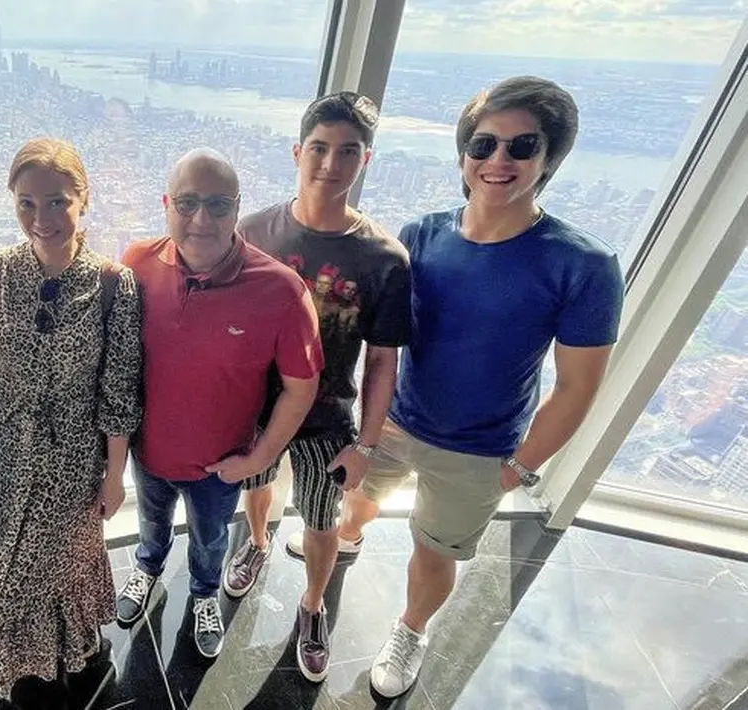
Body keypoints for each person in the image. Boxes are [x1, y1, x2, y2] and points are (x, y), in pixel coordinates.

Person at [312, 77, 623, 698]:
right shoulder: (422, 234)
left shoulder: (583, 265)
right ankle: (346, 537)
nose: (499, 161)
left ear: (548, 157)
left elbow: (578, 386)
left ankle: (410, 628)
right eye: (483, 145)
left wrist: (522, 467)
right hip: (395, 421)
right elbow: (386, 342)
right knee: (360, 497)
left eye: (521, 146)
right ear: (463, 156)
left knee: (434, 551)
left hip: (480, 449)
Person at [221, 92, 411, 683]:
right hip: (254, 410)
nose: (331, 163)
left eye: (347, 151)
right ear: (297, 151)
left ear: (366, 160)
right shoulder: (251, 233)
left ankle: (312, 605)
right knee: (255, 489)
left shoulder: (384, 258)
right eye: (320, 148)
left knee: (321, 518)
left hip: (328, 419)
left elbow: (382, 363)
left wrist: (368, 445)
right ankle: (254, 543)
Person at [115, 148, 323, 659]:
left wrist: (259, 459)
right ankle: (147, 568)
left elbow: (303, 386)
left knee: (210, 541)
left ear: (236, 208)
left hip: (220, 465)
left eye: (217, 204)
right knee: (151, 523)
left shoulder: (279, 289)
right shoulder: (136, 264)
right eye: (187, 203)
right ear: (166, 204)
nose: (201, 219)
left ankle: (205, 595)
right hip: (149, 454)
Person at [0, 138, 142, 706]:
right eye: (26, 203)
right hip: (4, 453)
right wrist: (4, 430)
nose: (41, 219)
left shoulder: (115, 284)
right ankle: (32, 669)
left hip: (74, 456)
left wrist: (114, 476)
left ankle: (66, 656)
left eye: (56, 201)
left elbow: (118, 392)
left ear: (82, 199)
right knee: (13, 565)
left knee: (65, 562)